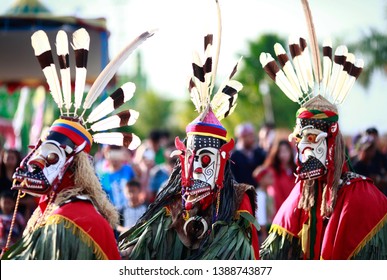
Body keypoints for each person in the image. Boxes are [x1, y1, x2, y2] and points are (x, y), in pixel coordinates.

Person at [118, 2, 259, 259]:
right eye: (190, 160)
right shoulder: (171, 203)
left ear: (221, 160)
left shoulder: (238, 201)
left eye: (205, 159)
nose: (195, 168)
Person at [0, 28, 154, 259]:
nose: (36, 164)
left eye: (52, 157)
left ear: (74, 165)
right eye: (40, 154)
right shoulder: (51, 212)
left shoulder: (70, 218)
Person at [259, 0, 387, 260]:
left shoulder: (361, 197)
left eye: (311, 138)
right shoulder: (301, 193)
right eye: (300, 139)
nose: (304, 148)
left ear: (331, 142)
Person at [254, 139, 296, 215]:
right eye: (280, 152)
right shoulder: (272, 170)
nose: (283, 154)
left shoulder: (295, 170)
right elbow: (257, 174)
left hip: (295, 209)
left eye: (286, 151)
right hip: (280, 211)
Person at [230, 122, 266, 187]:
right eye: (249, 136)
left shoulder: (258, 153)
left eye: (252, 135)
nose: (252, 138)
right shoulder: (234, 156)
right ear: (242, 137)